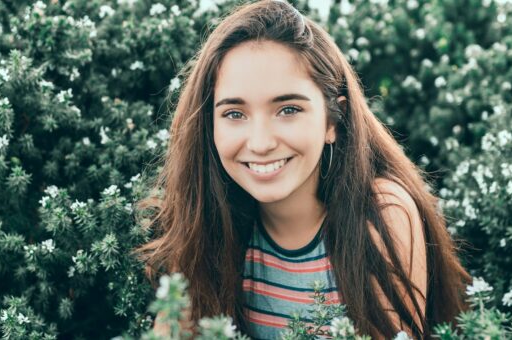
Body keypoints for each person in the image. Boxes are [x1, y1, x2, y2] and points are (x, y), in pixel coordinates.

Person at [134, 1, 471, 339]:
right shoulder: (206, 219)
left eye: (288, 109)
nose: (261, 142)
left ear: (332, 121)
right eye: (234, 114)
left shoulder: (382, 213)